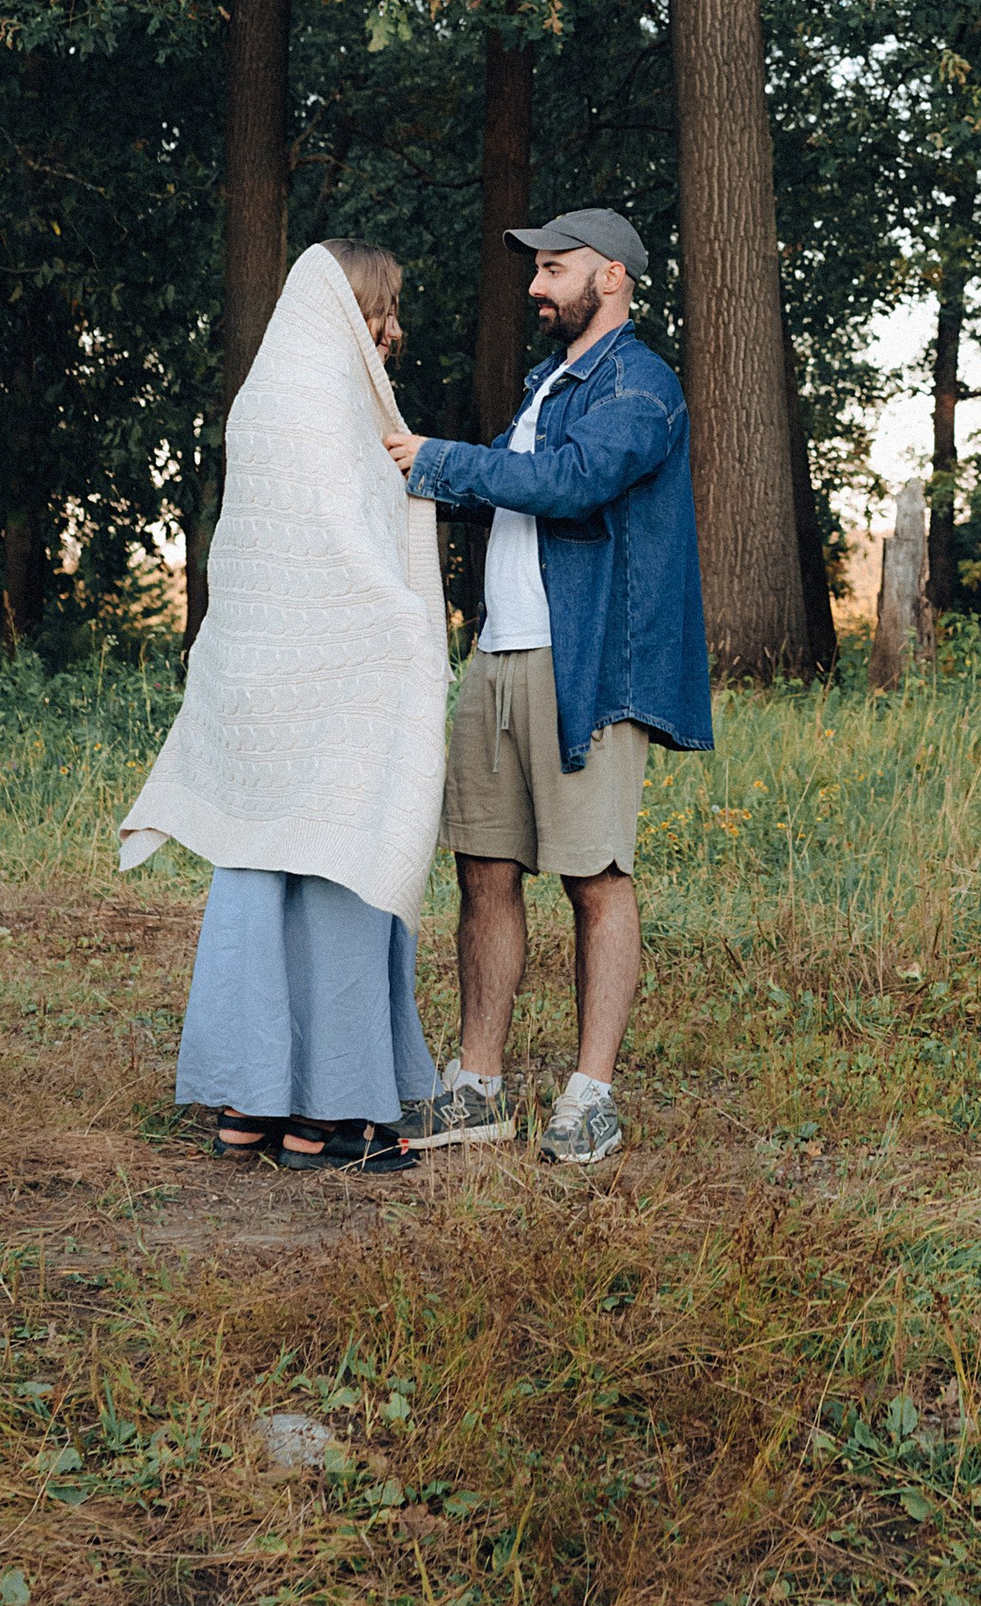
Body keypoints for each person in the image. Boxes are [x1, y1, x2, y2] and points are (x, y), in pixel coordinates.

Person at [381, 207, 711, 1169]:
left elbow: (571, 484)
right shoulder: (544, 385)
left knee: (594, 877)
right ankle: (474, 1088)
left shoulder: (640, 388)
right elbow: (504, 483)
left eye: (554, 270)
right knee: (483, 870)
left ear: (609, 276)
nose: (536, 287)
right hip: (498, 659)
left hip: (587, 665)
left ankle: (590, 1097)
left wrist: (437, 460)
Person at [120, 239, 449, 1176]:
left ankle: (247, 1106)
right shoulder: (326, 405)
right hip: (332, 679)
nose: (392, 330)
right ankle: (329, 1117)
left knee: (258, 877)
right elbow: (342, 546)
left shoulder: (263, 398)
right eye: (380, 311)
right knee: (343, 871)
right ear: (345, 311)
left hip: (258, 685)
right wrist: (402, 631)